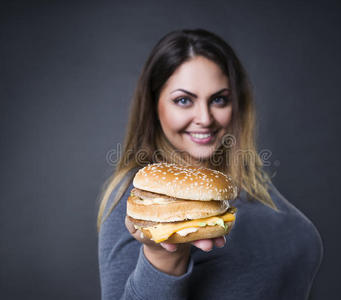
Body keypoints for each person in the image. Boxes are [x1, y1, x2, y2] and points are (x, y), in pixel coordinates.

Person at [97, 28, 323, 300]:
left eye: (219, 99)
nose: (204, 118)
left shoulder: (243, 180)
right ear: (154, 106)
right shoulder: (140, 199)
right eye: (183, 100)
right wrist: (163, 257)